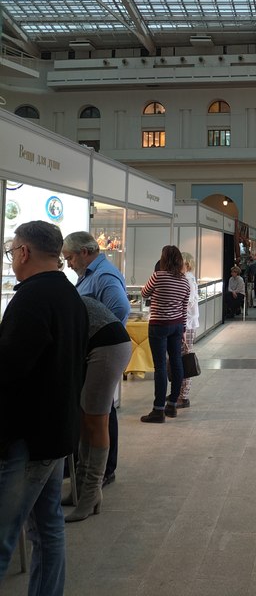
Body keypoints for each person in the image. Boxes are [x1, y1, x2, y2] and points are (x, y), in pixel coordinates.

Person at [0, 221, 88, 594]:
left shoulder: (31, 299)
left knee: (5, 533)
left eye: (11, 252)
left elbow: (10, 370)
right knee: (47, 528)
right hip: (55, 433)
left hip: (28, 439)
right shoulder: (69, 295)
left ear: (23, 252)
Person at [62, 231, 131, 488]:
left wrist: (100, 337)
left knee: (101, 413)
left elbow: (120, 308)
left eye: (70, 258)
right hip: (95, 352)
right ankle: (89, 469)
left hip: (100, 353)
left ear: (84, 252)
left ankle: (104, 470)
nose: (69, 264)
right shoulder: (90, 274)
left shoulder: (103, 275)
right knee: (95, 410)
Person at [64, 297, 132, 522]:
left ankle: (91, 492)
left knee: (96, 420)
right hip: (100, 345)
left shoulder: (48, 296)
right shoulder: (55, 294)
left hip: (108, 347)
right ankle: (80, 488)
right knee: (85, 417)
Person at [140, 245, 190, 423]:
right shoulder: (184, 281)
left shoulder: (158, 276)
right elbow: (184, 307)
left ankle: (158, 410)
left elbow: (144, 293)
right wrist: (183, 329)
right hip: (177, 325)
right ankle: (172, 405)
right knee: (176, 363)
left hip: (159, 325)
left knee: (160, 366)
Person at [178, 253, 200, 408]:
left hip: (187, 324)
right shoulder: (187, 279)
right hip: (186, 323)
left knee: (186, 358)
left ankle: (184, 395)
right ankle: (179, 392)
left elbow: (189, 302)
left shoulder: (188, 279)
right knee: (181, 357)